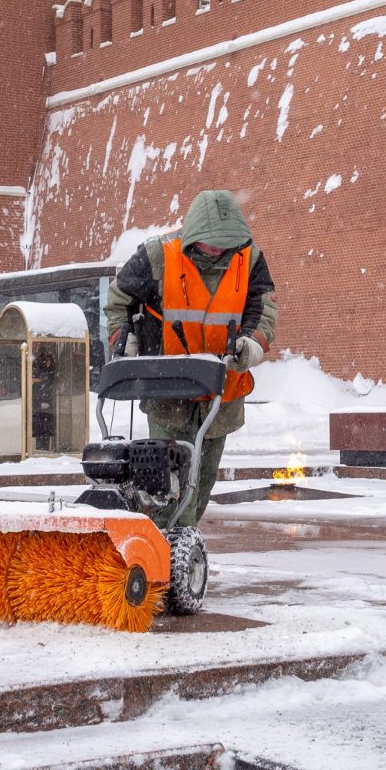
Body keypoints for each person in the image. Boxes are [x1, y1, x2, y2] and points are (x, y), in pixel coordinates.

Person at [104, 190, 277, 529]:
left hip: (221, 393)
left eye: (224, 243)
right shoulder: (158, 256)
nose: (218, 249)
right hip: (167, 391)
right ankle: (162, 549)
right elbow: (119, 298)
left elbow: (263, 309)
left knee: (200, 486)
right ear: (193, 235)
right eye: (210, 242)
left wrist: (253, 342)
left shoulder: (250, 260)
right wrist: (123, 336)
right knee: (166, 485)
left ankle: (181, 550)